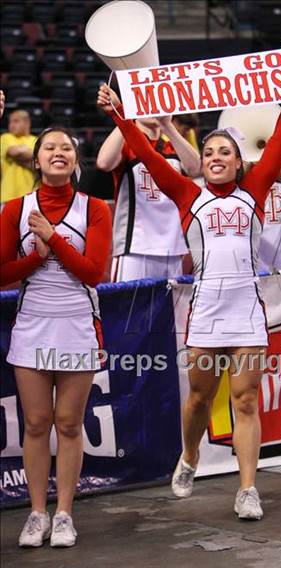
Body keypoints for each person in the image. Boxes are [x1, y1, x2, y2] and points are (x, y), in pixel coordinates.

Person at [97, 60, 281, 520]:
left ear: (238, 162)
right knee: (198, 398)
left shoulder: (254, 189)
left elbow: (278, 140)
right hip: (206, 313)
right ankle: (190, 455)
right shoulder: (186, 195)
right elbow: (149, 156)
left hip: (248, 313)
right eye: (209, 151)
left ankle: (248, 489)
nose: (214, 157)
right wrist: (120, 115)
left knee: (246, 399)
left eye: (224, 152)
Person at [0, 127, 112, 547]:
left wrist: (52, 239)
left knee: (68, 423)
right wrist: (34, 257)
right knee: (35, 423)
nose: (58, 152)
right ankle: (36, 513)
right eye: (50, 147)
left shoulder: (95, 208)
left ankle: (64, 513)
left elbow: (93, 272)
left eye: (66, 147)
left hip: (77, 325)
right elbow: (1, 274)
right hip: (31, 326)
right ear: (37, 160)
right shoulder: (15, 209)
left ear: (75, 162)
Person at [96, 113, 201, 281]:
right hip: (134, 247)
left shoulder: (171, 145)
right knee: (129, 306)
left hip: (172, 248)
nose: (152, 110)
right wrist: (125, 116)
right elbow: (104, 162)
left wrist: (168, 126)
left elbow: (195, 169)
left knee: (170, 308)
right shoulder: (125, 142)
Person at [0, 109, 37, 204]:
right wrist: (32, 155)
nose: (11, 125)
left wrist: (21, 151)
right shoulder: (6, 137)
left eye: (16, 121)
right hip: (9, 196)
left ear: (27, 123)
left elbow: (41, 159)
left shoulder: (36, 140)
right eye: (10, 122)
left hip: (32, 196)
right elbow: (13, 152)